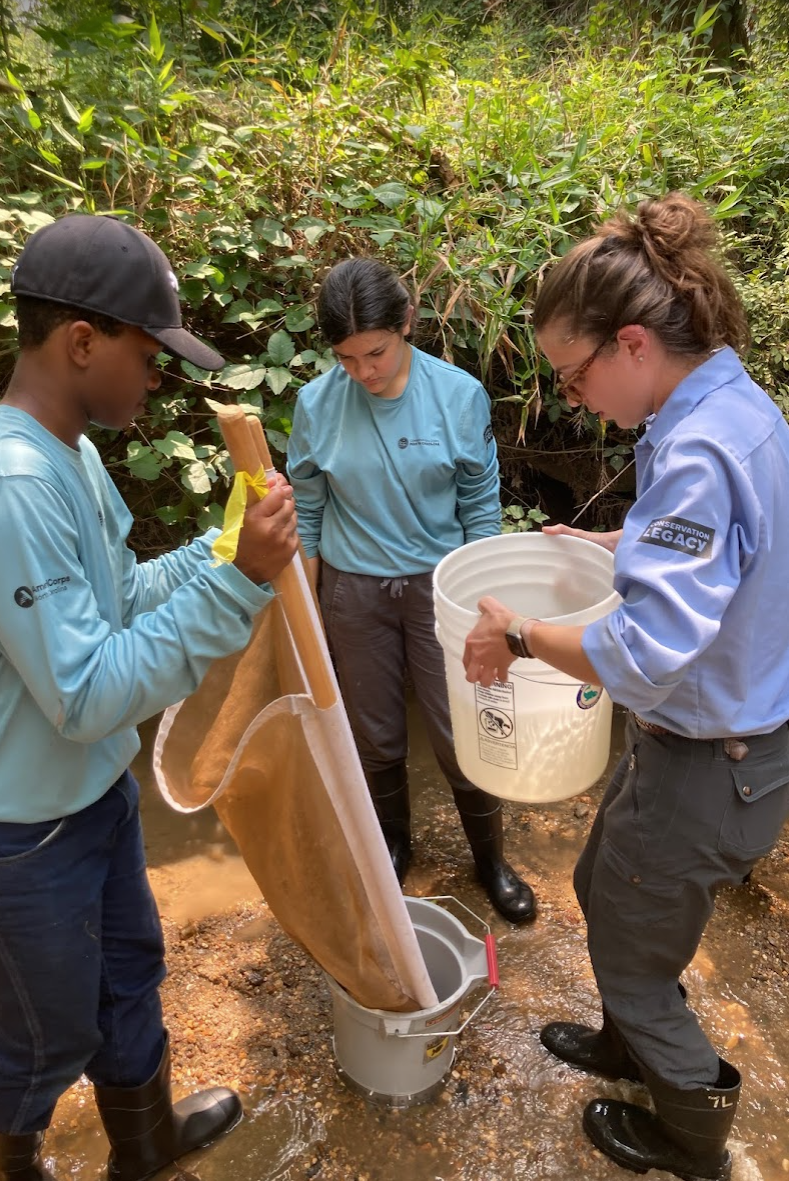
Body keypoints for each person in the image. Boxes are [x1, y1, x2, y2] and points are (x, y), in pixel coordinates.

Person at [0, 214, 299, 1181]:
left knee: (130, 974)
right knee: (45, 1030)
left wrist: (218, 552)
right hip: (2, 827)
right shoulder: (9, 485)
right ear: (83, 341)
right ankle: (11, 1163)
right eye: (147, 351)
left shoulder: (69, 453)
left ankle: (145, 1140)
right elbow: (86, 689)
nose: (156, 374)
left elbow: (117, 602)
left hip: (85, 792)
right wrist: (236, 584)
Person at [462, 193, 789, 1180]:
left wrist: (515, 631)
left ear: (634, 341)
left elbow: (645, 654)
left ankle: (690, 1134)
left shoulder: (696, 451)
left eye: (574, 372)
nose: (571, 395)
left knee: (636, 961)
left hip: (709, 757)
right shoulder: (726, 408)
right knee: (597, 883)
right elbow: (713, 553)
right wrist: (602, 541)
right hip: (696, 744)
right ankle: (625, 1042)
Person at [286, 257, 536, 924]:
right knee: (374, 733)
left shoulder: (457, 396)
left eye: (375, 351)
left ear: (407, 324)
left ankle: (490, 862)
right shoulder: (316, 406)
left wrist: (481, 606)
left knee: (463, 732)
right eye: (346, 358)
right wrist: (306, 608)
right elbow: (306, 510)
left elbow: (480, 506)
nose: (363, 372)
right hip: (353, 591)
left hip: (441, 588)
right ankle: (396, 845)